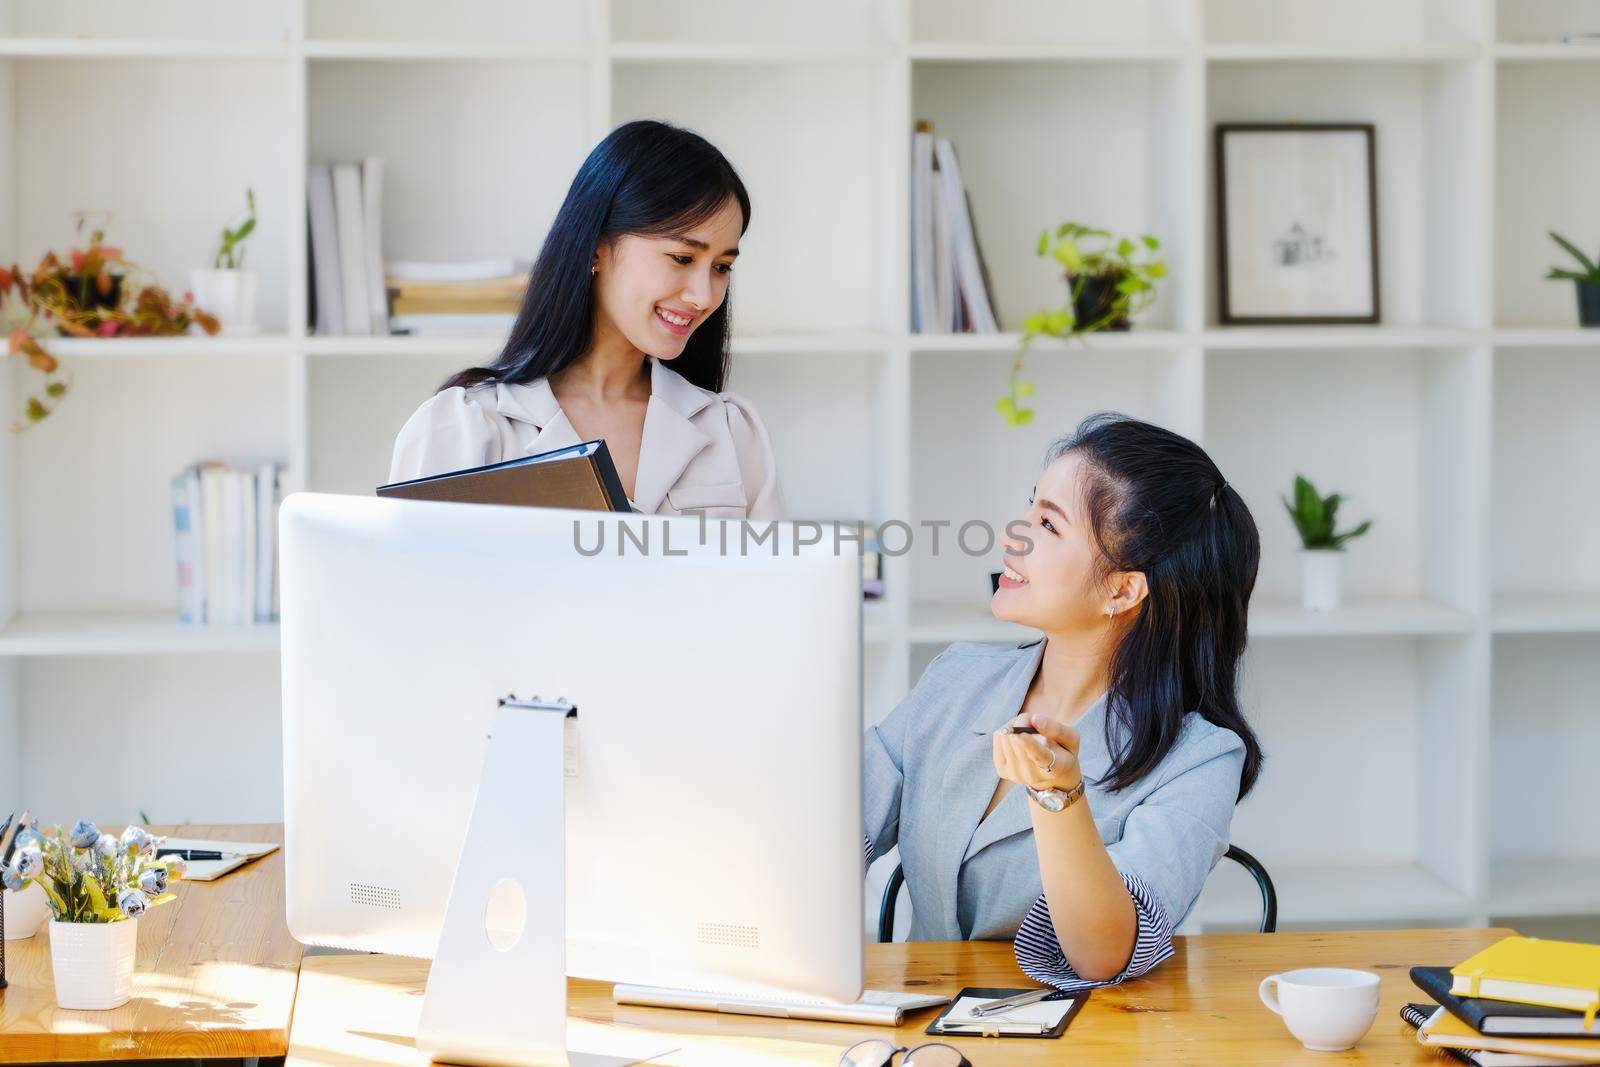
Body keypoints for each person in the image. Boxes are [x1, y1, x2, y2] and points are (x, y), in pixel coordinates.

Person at [865, 413, 1265, 989]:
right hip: (922, 1025)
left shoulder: (1200, 758)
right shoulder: (956, 678)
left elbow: (1102, 955)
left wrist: (1060, 794)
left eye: (1048, 526)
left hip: (1080, 1038)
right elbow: (829, 820)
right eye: (1029, 508)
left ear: (1121, 589)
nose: (1011, 537)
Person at [389, 120, 784, 520]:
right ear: (596, 248)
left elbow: (781, 582)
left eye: (721, 267)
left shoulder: (732, 433)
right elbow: (414, 580)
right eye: (682, 258)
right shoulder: (468, 427)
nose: (703, 296)